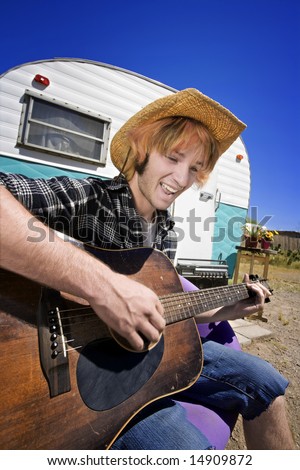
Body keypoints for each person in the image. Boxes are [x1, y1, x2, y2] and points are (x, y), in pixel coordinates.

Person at [0, 88, 294, 450]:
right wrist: (104, 287)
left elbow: (164, 309)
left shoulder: (165, 230)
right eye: (173, 157)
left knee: (268, 383)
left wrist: (230, 308)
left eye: (194, 169)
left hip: (146, 362)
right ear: (144, 150)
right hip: (74, 385)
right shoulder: (92, 199)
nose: (181, 179)